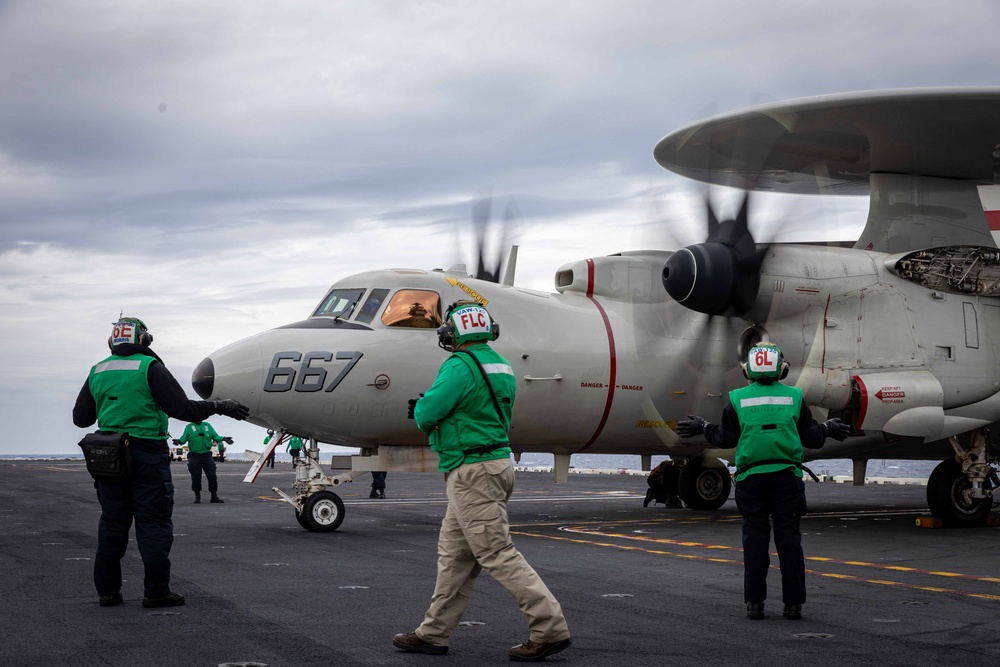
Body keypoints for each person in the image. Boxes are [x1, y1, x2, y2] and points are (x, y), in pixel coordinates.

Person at [392, 301, 571, 662]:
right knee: (455, 556)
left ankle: (549, 628)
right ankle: (434, 633)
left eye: (449, 331)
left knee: (496, 552)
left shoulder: (459, 365)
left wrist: (422, 406)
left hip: (472, 470)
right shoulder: (501, 365)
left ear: (458, 333)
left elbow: (427, 413)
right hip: (492, 464)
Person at [72, 316, 249, 608]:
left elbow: (81, 419)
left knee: (112, 525)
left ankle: (107, 592)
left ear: (112, 341)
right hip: (146, 454)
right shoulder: (150, 367)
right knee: (153, 524)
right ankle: (155, 592)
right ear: (145, 339)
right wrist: (220, 406)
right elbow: (184, 409)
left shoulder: (97, 370)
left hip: (109, 458)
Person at [676, 342, 849, 621]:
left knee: (755, 543)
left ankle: (754, 605)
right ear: (782, 369)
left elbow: (725, 438)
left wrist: (702, 427)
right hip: (786, 479)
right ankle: (793, 606)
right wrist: (829, 427)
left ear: (747, 370)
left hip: (751, 480)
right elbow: (812, 438)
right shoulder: (794, 397)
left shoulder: (737, 399)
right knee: (789, 542)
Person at [176, 420, 228, 503]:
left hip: (207, 455)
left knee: (212, 476)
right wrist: (179, 441)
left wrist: (224, 438)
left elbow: (216, 436)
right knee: (196, 476)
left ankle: (214, 495)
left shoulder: (208, 426)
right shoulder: (189, 427)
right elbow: (184, 438)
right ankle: (197, 496)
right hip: (194, 455)